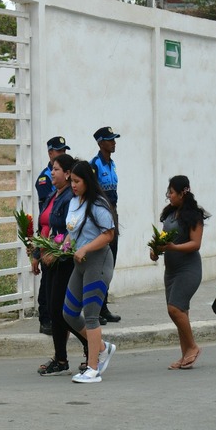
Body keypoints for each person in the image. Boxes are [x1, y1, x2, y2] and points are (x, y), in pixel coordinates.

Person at [32, 153, 89, 376]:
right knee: (54, 311)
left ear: (67, 174)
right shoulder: (52, 197)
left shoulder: (70, 200)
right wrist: (37, 252)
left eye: (56, 169)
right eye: (51, 169)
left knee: (61, 311)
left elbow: (70, 231)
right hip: (49, 261)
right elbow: (44, 228)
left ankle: (92, 345)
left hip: (64, 261)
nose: (51, 173)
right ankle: (61, 358)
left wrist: (56, 254)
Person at [63, 159, 118, 384]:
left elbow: (108, 234)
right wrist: (65, 244)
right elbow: (72, 229)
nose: (73, 185)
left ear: (87, 181)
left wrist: (85, 247)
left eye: (77, 181)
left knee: (92, 316)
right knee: (69, 313)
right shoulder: (74, 202)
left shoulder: (98, 204)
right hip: (80, 262)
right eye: (71, 181)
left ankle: (93, 368)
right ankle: (103, 348)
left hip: (98, 261)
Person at [151, 176, 209, 370]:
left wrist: (173, 247)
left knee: (174, 308)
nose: (169, 196)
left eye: (171, 192)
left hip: (188, 269)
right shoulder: (169, 213)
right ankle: (185, 356)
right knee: (180, 312)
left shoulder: (194, 215)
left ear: (183, 192)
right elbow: (163, 239)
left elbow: (195, 243)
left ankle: (193, 347)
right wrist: (156, 249)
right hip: (171, 270)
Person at [34, 136, 70, 336]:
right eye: (59, 150)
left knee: (56, 292)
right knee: (47, 287)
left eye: (64, 150)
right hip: (49, 239)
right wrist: (38, 251)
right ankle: (45, 319)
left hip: (60, 245)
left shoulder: (69, 192)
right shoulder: (45, 179)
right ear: (50, 153)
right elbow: (45, 215)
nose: (62, 153)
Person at [90, 126, 122, 325]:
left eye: (114, 139)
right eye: (110, 140)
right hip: (102, 216)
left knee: (111, 262)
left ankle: (104, 306)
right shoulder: (95, 165)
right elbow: (95, 194)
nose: (114, 142)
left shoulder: (112, 164)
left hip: (113, 214)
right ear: (101, 143)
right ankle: (96, 308)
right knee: (100, 264)